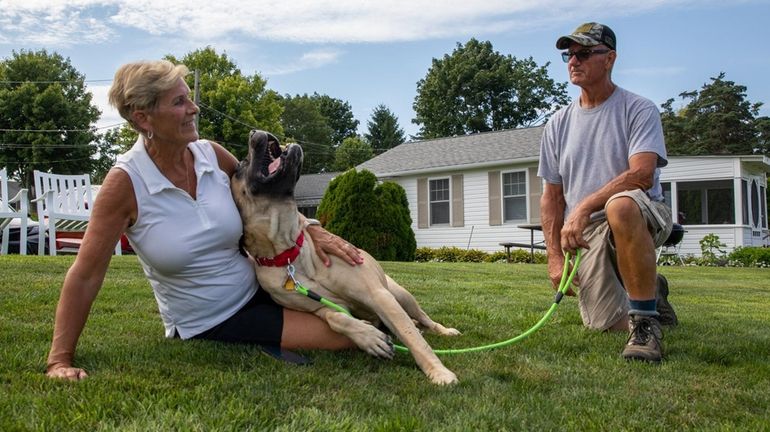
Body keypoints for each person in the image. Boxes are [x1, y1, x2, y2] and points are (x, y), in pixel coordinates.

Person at [46, 60, 363, 380]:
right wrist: (59, 361)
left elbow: (265, 199)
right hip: (213, 318)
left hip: (265, 285)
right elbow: (85, 275)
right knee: (347, 333)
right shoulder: (125, 183)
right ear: (143, 118)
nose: (194, 108)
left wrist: (313, 229)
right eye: (179, 102)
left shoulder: (210, 155)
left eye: (189, 98)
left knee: (357, 308)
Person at [538, 22, 678, 363]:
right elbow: (553, 197)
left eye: (584, 53)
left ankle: (645, 324)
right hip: (589, 230)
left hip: (642, 212)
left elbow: (642, 175)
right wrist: (554, 257)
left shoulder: (638, 108)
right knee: (607, 324)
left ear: (610, 58)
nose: (574, 61)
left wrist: (584, 205)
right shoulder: (557, 124)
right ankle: (652, 290)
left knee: (621, 206)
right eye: (569, 54)